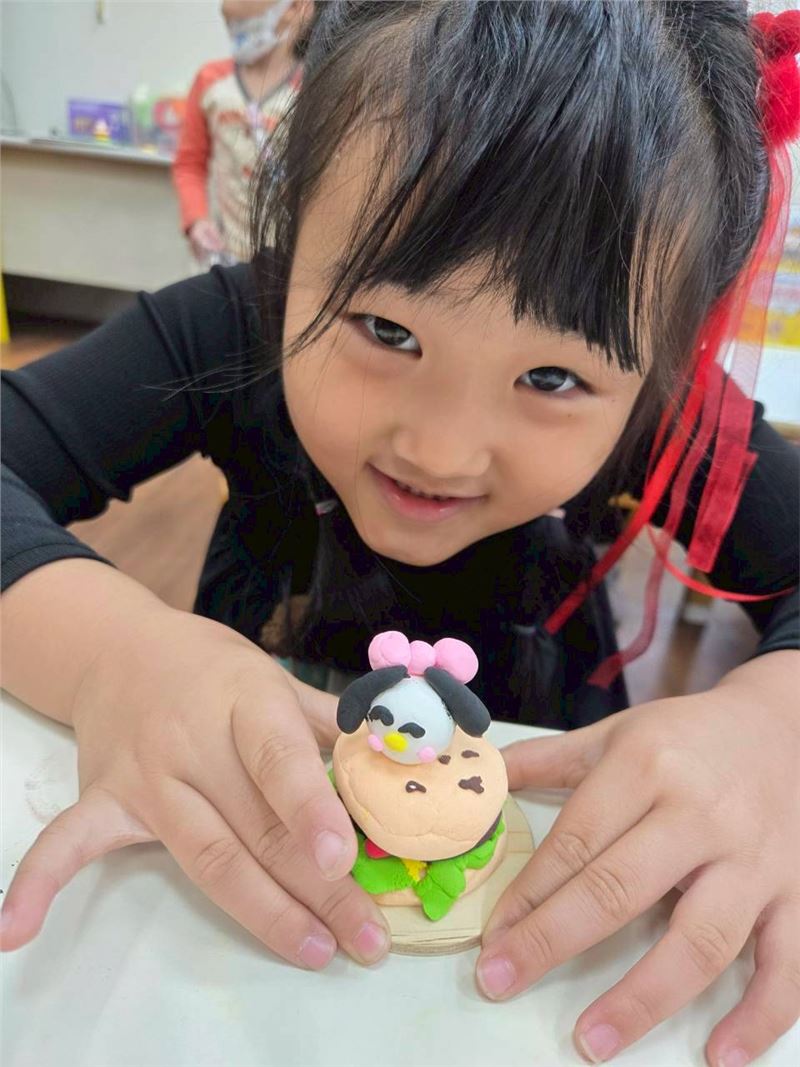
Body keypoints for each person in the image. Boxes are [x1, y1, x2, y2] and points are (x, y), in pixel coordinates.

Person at [2, 3, 799, 1064]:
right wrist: (113, 655)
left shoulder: (660, 413)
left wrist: (779, 727)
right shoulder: (238, 320)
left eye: (550, 378)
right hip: (222, 901)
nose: (441, 450)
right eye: (387, 329)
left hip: (530, 947)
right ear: (293, 225)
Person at [173, 0, 311, 264]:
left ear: (294, 8)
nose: (239, 33)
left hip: (288, 260)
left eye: (250, 24)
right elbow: (189, 163)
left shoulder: (313, 86)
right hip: (226, 255)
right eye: (231, 25)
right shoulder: (211, 81)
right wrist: (197, 220)